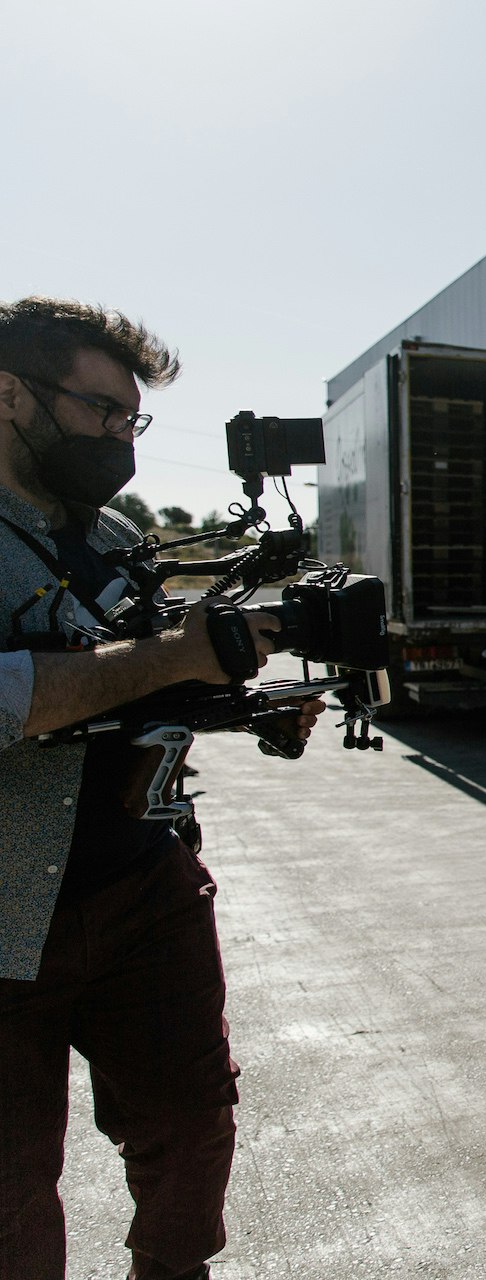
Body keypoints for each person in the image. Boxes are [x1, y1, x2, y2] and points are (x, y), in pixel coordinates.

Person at [0, 297, 322, 1280]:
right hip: (11, 906)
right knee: (9, 1188)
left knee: (193, 1126)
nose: (119, 439)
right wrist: (172, 653)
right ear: (10, 396)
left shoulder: (122, 534)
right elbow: (16, 696)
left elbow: (148, 676)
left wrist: (239, 697)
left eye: (132, 420)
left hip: (147, 881)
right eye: (101, 411)